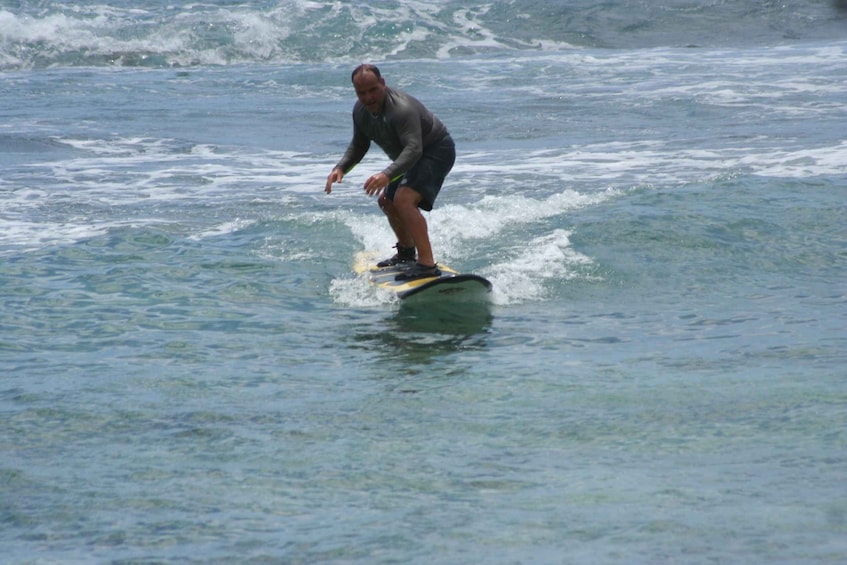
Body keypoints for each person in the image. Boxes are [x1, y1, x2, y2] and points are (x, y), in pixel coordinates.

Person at [324, 64, 455, 281]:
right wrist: (340, 168)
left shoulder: (401, 109)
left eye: (373, 90)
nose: (368, 98)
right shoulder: (360, 111)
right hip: (410, 157)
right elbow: (359, 145)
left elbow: (414, 149)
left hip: (435, 150)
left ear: (383, 84)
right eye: (362, 93)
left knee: (404, 199)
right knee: (387, 200)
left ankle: (427, 264)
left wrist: (386, 174)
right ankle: (406, 253)